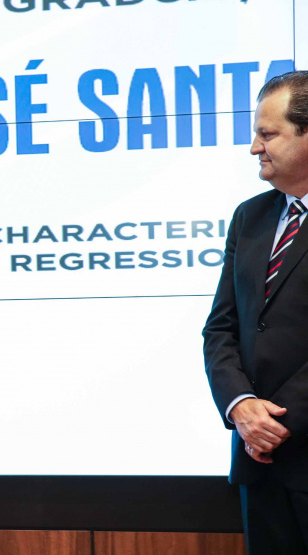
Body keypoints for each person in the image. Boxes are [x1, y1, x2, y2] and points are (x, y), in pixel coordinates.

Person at [204, 71, 308, 554]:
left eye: (268, 134)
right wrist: (240, 407)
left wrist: (280, 420)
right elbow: (221, 329)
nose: (254, 148)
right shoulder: (250, 216)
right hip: (257, 461)